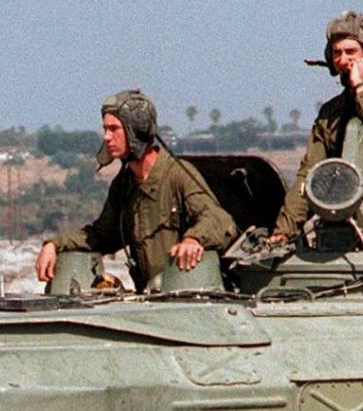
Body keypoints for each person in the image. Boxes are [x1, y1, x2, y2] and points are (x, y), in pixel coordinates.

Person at [36, 89, 237, 289]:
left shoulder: (177, 175)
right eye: (105, 129)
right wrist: (54, 245)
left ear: (136, 131)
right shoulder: (124, 185)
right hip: (149, 299)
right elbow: (101, 235)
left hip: (188, 294)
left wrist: (194, 239)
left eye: (114, 129)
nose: (106, 137)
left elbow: (220, 220)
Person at [270, 12, 363, 241]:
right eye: (337, 53)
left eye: (351, 52)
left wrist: (361, 89)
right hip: (337, 225)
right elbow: (309, 174)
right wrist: (284, 230)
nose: (343, 59)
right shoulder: (330, 113)